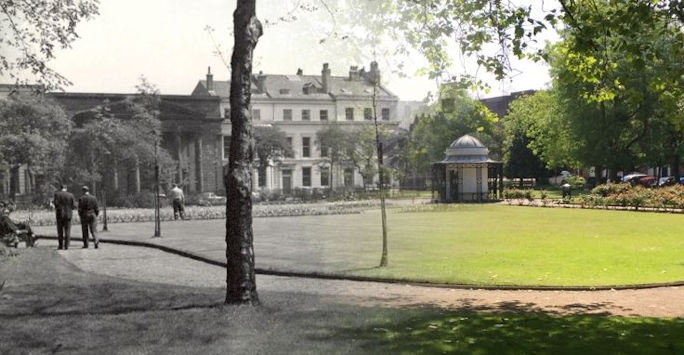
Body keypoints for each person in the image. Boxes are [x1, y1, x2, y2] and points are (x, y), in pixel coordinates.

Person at [53, 184, 76, 250]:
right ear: (66, 188)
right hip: (68, 215)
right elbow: (73, 206)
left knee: (60, 231)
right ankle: (66, 245)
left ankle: (60, 245)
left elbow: (56, 204)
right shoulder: (71, 195)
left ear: (60, 188)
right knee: (67, 231)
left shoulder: (57, 194)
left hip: (60, 215)